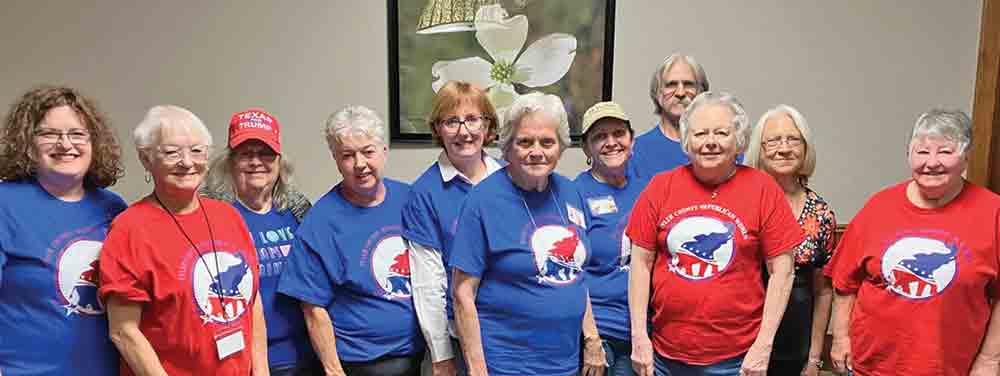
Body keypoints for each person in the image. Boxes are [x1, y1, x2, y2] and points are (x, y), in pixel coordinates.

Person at [626, 92, 803, 376]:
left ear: (739, 140)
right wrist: (639, 337)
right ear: (687, 141)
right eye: (700, 133)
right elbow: (640, 263)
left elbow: (783, 271)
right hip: (664, 358)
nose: (710, 142)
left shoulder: (763, 189)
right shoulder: (660, 187)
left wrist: (763, 347)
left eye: (721, 133)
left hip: (736, 361)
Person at [827, 109, 1000, 376]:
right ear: (909, 156)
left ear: (966, 157)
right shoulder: (878, 207)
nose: (932, 163)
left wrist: (989, 360)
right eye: (921, 152)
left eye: (945, 152)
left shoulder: (993, 212)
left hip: (953, 368)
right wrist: (841, 338)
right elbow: (844, 283)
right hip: (872, 366)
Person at [99, 105, 268, 376]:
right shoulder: (129, 229)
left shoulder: (229, 216)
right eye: (171, 152)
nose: (187, 162)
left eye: (197, 150)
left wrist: (261, 371)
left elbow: (253, 301)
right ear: (146, 159)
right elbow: (123, 331)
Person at [450, 92, 606, 376]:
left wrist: (592, 339)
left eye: (547, 142)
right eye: (525, 142)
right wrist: (477, 370)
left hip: (565, 363)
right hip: (506, 364)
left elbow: (576, 275)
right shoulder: (483, 200)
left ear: (560, 146)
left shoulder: (571, 192)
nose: (537, 151)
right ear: (507, 147)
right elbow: (462, 293)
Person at [278, 105, 424, 376]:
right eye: (348, 155)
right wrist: (334, 371)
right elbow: (312, 308)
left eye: (368, 151)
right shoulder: (321, 222)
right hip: (361, 365)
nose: (360, 164)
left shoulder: (412, 199)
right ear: (335, 159)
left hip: (421, 356)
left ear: (383, 151)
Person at [0, 86, 127, 375]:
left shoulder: (114, 207)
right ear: (27, 143)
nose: (65, 144)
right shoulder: (5, 203)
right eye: (49, 134)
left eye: (77, 134)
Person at [201, 108, 316, 375]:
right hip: (244, 358)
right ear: (230, 162)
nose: (256, 162)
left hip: (303, 354)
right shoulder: (212, 214)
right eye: (246, 154)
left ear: (279, 160)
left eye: (265, 153)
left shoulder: (298, 209)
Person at [402, 81, 503, 376]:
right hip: (459, 339)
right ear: (437, 129)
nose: (464, 131)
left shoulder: (511, 178)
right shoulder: (425, 192)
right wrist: (441, 354)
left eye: (473, 119)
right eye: (451, 121)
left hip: (514, 333)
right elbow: (427, 281)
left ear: (488, 125)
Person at [746, 105, 837, 376]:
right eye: (773, 140)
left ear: (805, 148)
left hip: (794, 347)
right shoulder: (742, 203)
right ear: (759, 149)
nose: (784, 148)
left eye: (793, 140)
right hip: (739, 344)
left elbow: (823, 291)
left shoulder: (821, 214)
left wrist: (813, 359)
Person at [574, 101, 647, 376]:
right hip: (598, 333)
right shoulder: (575, 193)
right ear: (586, 148)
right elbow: (571, 271)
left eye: (618, 134)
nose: (611, 142)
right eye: (600, 137)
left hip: (640, 331)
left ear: (632, 140)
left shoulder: (648, 190)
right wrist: (591, 339)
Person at [630, 53, 710, 179]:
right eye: (671, 85)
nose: (680, 92)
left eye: (688, 84)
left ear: (701, 92)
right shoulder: (635, 151)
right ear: (658, 93)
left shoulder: (720, 148)